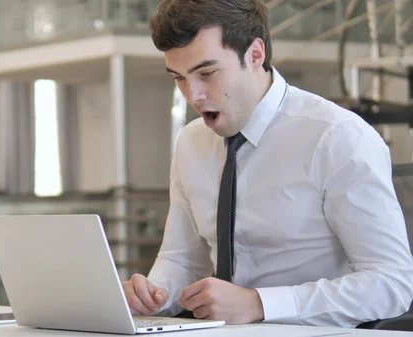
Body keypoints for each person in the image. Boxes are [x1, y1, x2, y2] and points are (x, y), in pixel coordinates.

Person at [121, 0, 413, 328]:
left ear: (255, 54)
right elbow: (183, 260)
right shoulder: (191, 143)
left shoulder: (336, 137)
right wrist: (153, 293)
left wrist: (260, 304)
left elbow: (393, 283)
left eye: (207, 73)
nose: (194, 96)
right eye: (179, 77)